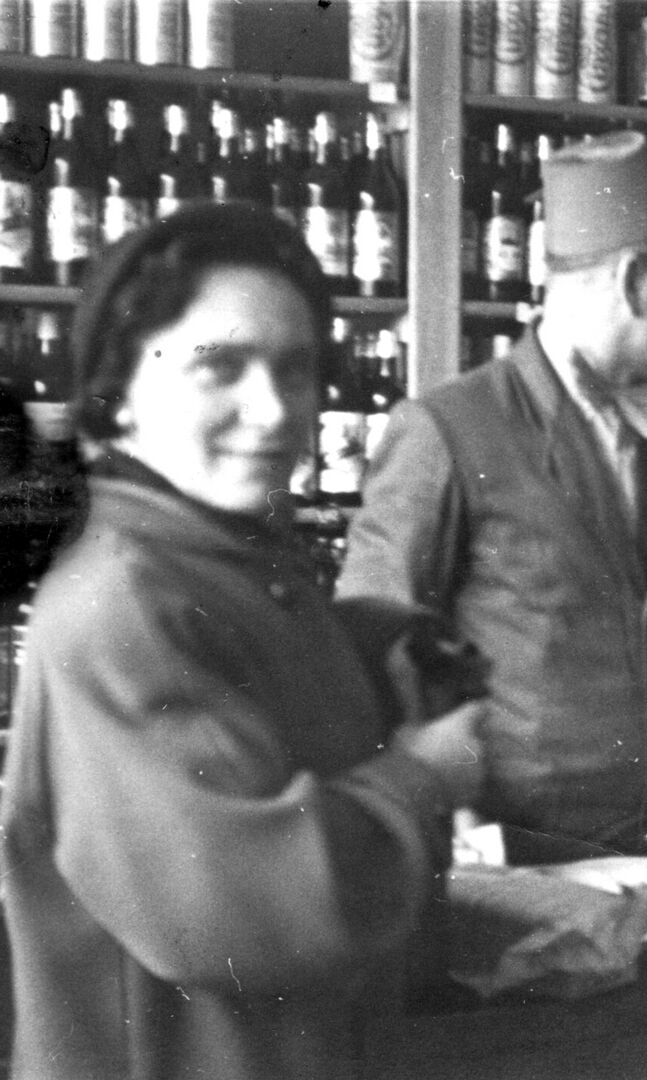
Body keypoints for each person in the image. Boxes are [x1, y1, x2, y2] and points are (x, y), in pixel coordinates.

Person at [0, 203, 487, 1080]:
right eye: (219, 366)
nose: (273, 411)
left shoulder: (208, 549)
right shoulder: (123, 596)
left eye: (295, 369)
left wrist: (374, 641)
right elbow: (246, 911)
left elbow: (246, 693)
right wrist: (426, 777)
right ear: (119, 393)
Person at [338, 131, 647, 862]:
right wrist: (436, 795)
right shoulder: (449, 429)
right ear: (635, 279)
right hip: (519, 843)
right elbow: (372, 647)